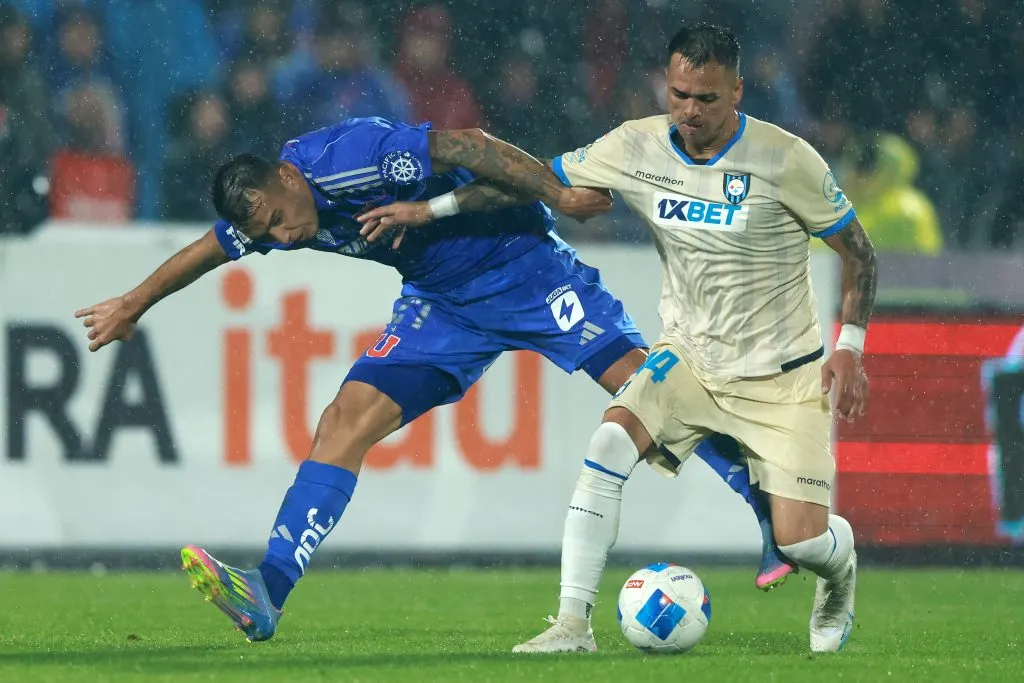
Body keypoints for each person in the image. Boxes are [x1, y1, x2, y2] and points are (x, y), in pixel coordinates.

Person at [75, 114, 791, 642]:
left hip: (522, 268)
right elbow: (209, 249)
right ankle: (268, 588)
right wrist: (133, 303)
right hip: (441, 306)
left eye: (280, 218)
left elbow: (470, 147)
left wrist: (556, 192)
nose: (281, 237)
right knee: (341, 421)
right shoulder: (267, 213)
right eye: (263, 234)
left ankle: (775, 514)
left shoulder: (351, 160)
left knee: (654, 402)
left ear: (287, 178)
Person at [358, 23, 878, 654]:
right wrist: (428, 210)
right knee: (608, 444)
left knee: (801, 542)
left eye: (707, 99)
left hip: (782, 374)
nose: (689, 111)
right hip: (689, 358)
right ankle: (572, 625)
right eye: (679, 93)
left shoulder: (787, 160)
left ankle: (840, 564)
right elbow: (527, 179)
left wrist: (849, 344)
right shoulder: (638, 145)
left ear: (737, 91)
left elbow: (857, 252)